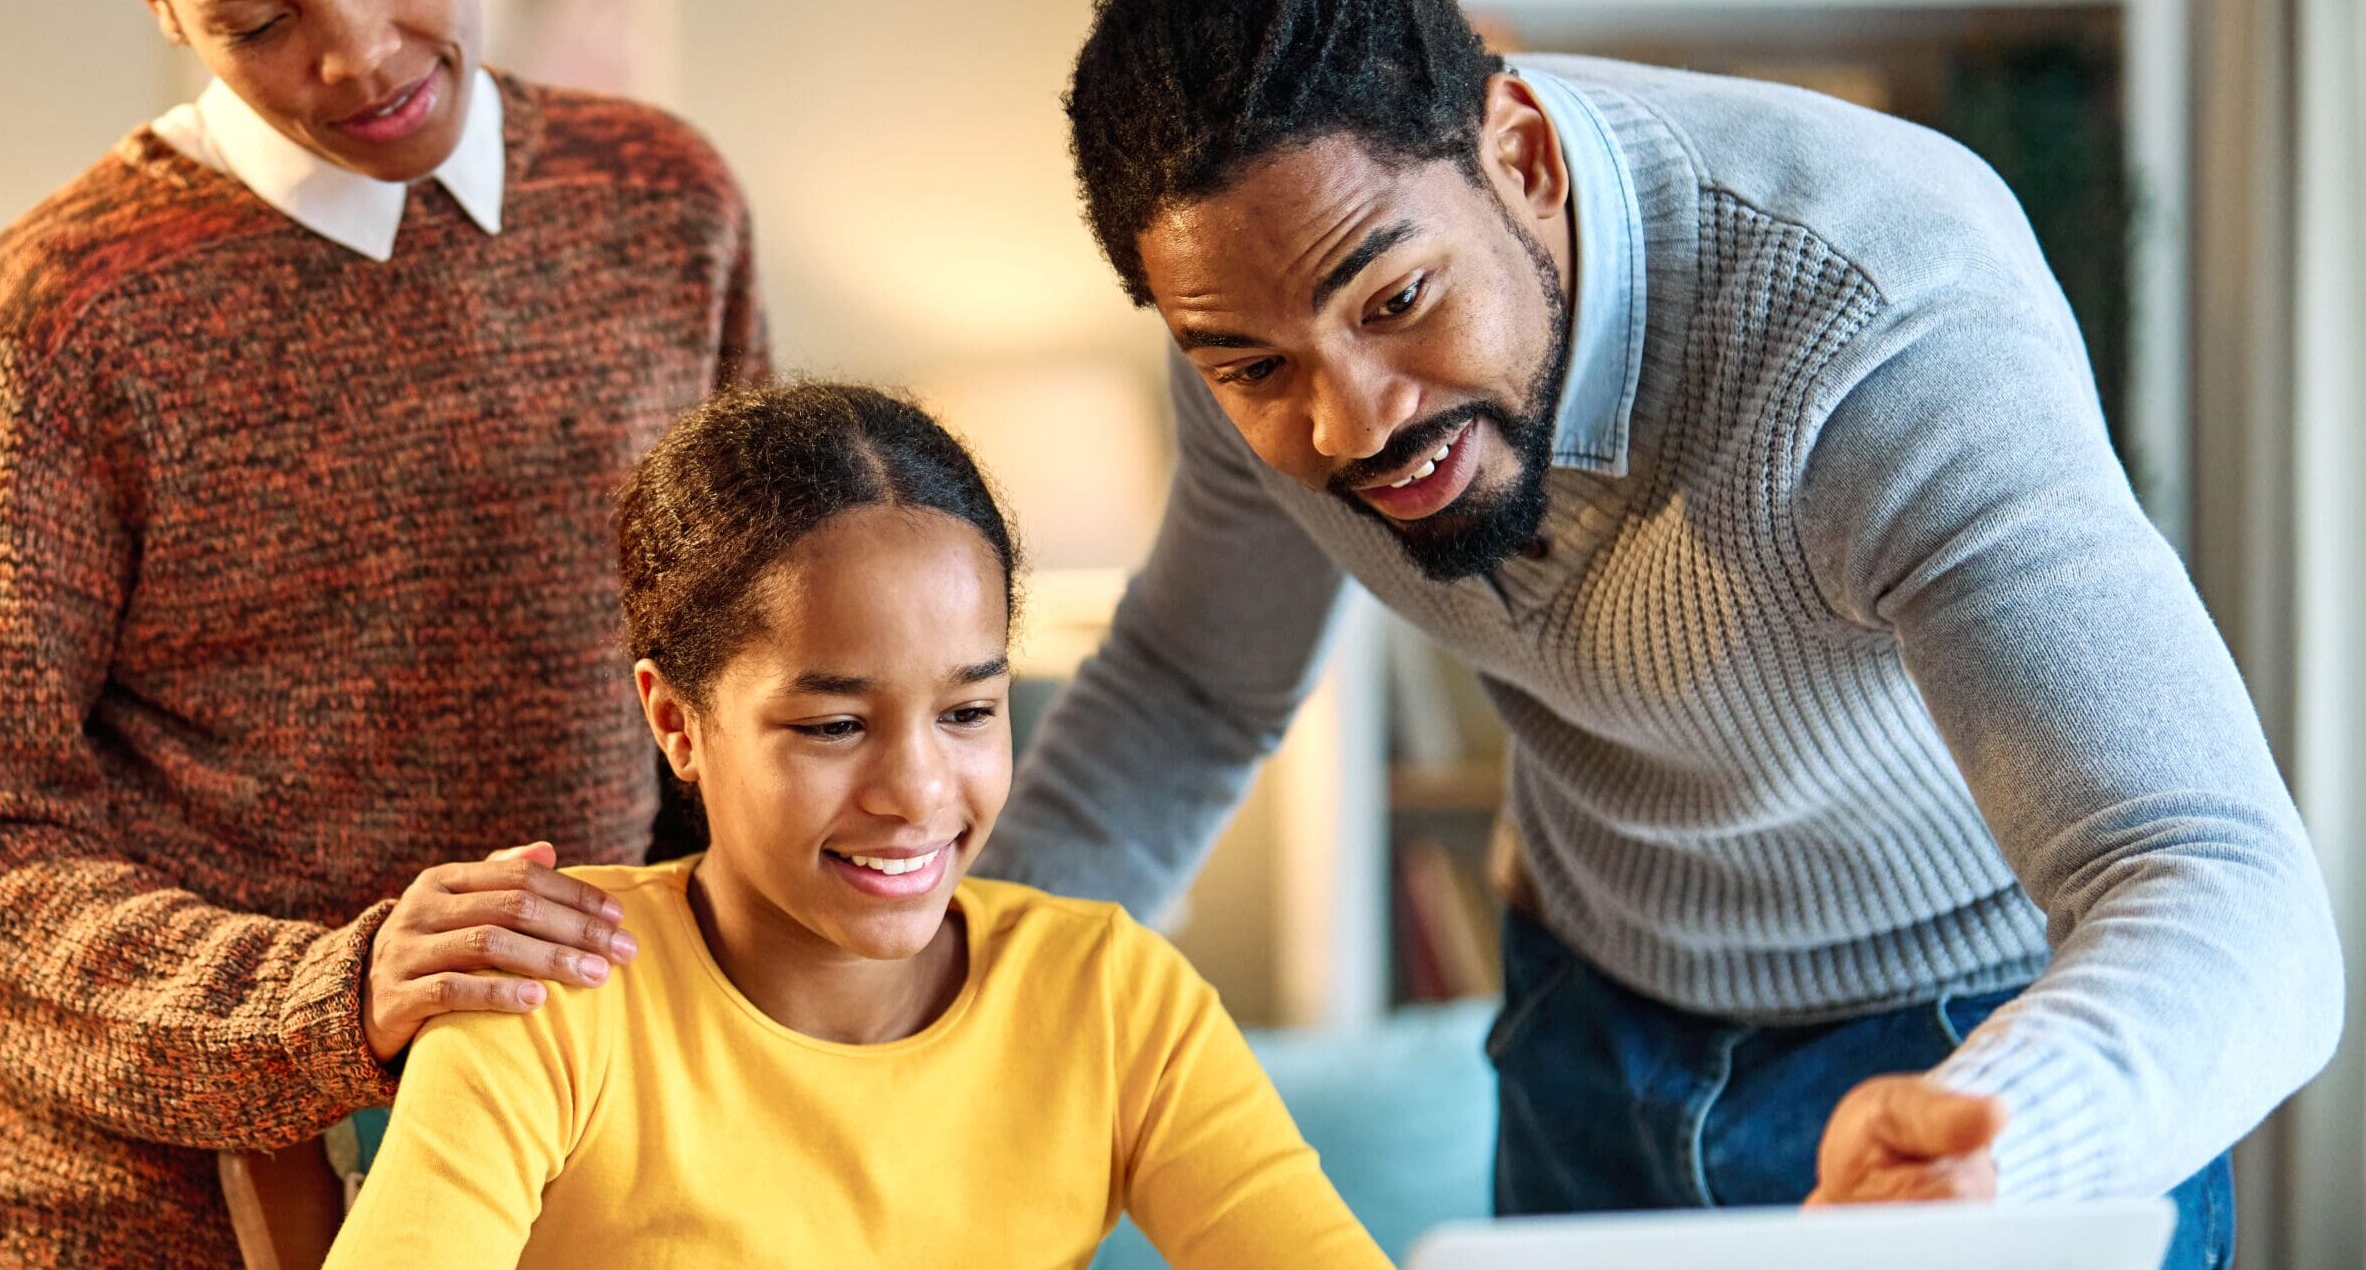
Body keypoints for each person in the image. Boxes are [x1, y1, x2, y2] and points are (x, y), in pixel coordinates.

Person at [983, 1, 2344, 1265]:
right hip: (1589, 1023)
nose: (1350, 423)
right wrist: (965, 1005)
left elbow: (2226, 889)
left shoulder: (1889, 328)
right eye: (1251, 368)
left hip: (1961, 1039)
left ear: (1520, 154)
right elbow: (1187, 692)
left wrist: (2005, 1133)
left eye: (1396, 301)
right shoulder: (1255, 293)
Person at [0, 1, 765, 1262]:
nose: (361, 57)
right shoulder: (61, 313)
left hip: (558, 1192)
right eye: (262, 18)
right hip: (124, 1223)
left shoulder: (666, 200)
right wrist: (324, 1001)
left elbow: (733, 692)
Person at [320, 382, 1389, 1269]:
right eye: (834, 723)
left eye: (969, 711)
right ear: (675, 721)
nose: (918, 792)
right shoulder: (551, 996)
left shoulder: (1111, 997)